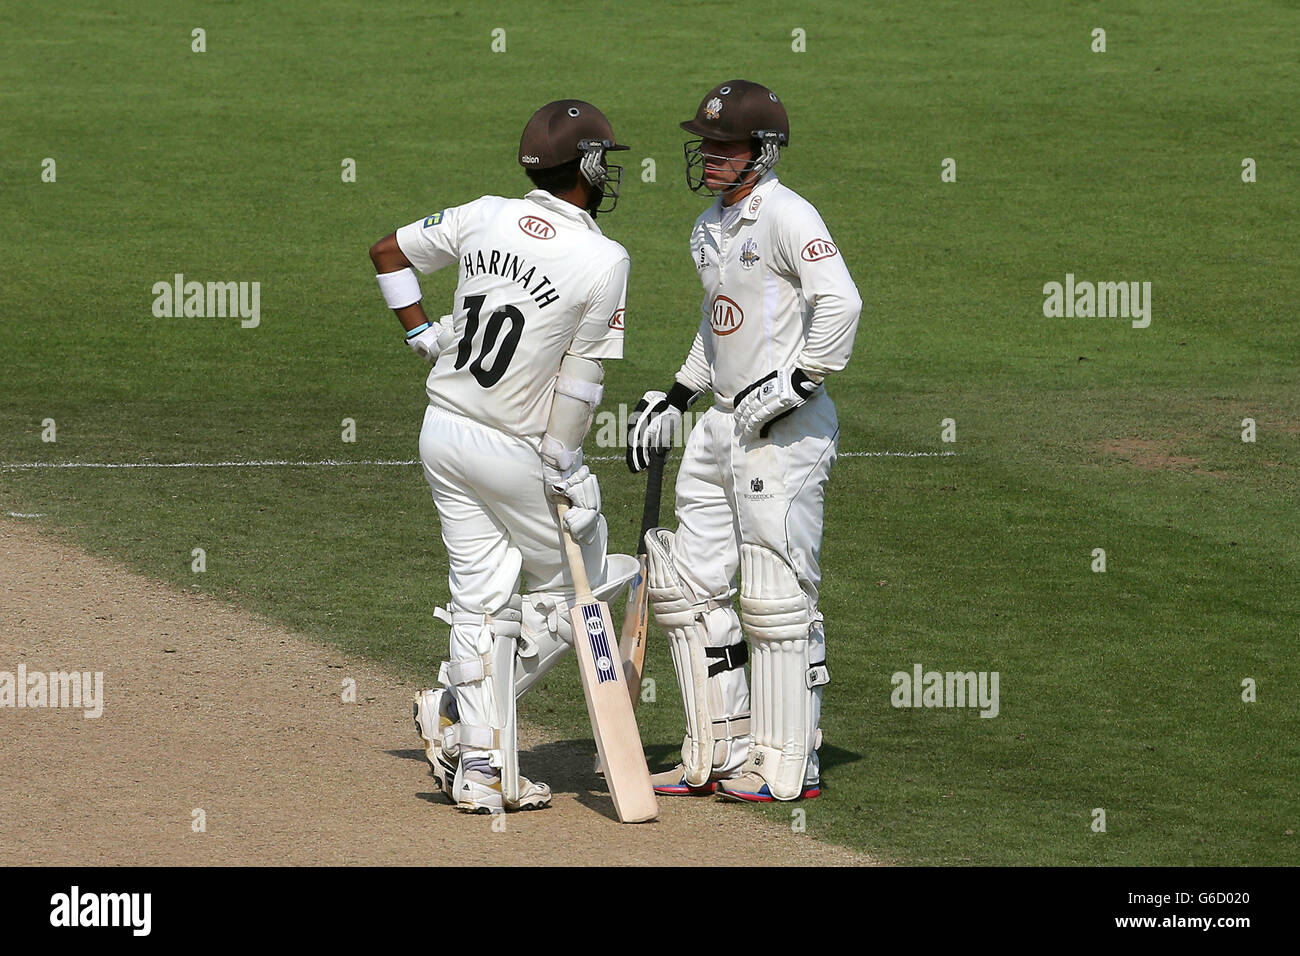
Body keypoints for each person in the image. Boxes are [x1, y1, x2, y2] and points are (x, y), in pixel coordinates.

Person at [369, 100, 639, 814]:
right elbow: (582, 380)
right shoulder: (603, 258)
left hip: (442, 431)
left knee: (480, 600)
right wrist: (566, 466)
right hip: (514, 449)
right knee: (589, 583)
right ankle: (459, 708)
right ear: (583, 167)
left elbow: (386, 254)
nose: (608, 173)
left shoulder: (485, 214)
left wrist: (422, 334)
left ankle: (483, 769)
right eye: (603, 161)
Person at [626, 80, 863, 802]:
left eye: (724, 147)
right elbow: (719, 320)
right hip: (722, 424)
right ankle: (719, 748)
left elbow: (841, 301)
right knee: (687, 590)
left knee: (776, 597)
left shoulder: (790, 216)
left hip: (784, 435)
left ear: (761, 152)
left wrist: (802, 381)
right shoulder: (707, 226)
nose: (709, 157)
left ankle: (791, 761)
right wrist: (677, 391)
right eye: (706, 145)